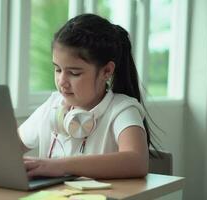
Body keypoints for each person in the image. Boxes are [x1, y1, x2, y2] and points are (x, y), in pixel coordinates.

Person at [18, 13, 157, 180]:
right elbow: (7, 148)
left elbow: (137, 161)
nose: (62, 81)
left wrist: (58, 166)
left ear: (107, 71)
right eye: (58, 69)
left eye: (74, 73)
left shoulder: (122, 109)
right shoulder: (52, 105)